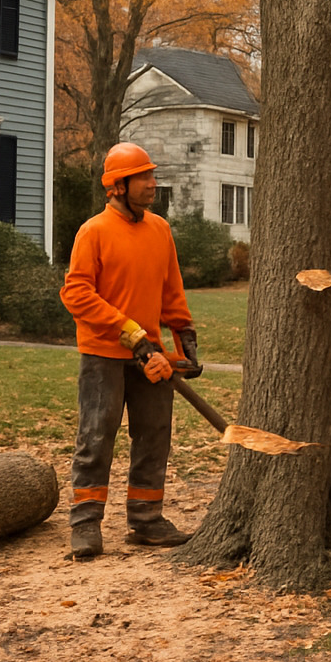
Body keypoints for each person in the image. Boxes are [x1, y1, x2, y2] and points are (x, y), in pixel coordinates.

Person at [60, 142, 200, 559]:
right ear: (118, 186)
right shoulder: (94, 231)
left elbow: (171, 290)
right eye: (144, 177)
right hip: (104, 355)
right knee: (96, 436)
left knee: (155, 436)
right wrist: (129, 332)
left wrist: (184, 338)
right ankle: (85, 523)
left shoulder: (159, 230)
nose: (153, 184)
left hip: (153, 356)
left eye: (152, 176)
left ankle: (146, 518)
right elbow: (76, 294)